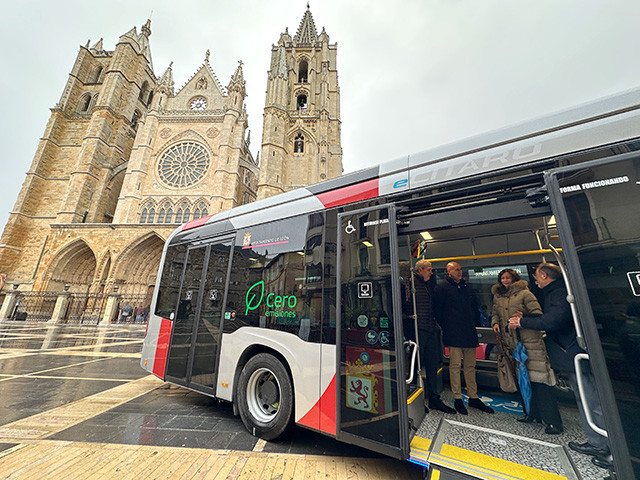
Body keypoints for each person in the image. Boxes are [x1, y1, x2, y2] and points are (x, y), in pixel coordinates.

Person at [509, 263, 611, 468]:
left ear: (545, 276)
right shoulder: (558, 292)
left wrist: (522, 322)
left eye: (537, 276)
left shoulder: (557, 294)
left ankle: (604, 444)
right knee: (585, 397)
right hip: (572, 351)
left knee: (590, 398)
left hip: (572, 351)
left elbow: (552, 321)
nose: (535, 280)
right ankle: (598, 441)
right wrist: (526, 318)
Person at [491, 268, 561, 433]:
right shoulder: (498, 296)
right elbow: (495, 312)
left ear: (514, 278)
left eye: (508, 277)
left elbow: (538, 315)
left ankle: (553, 421)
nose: (505, 280)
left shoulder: (525, 293)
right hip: (511, 343)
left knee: (539, 382)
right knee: (522, 381)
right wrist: (495, 322)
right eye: (502, 278)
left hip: (529, 342)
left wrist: (522, 318)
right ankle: (530, 413)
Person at [434, 262, 494, 414]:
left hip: (468, 331)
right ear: (448, 271)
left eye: (460, 269)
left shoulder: (465, 286)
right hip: (453, 331)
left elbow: (472, 308)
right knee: (455, 366)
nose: (459, 272)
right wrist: (447, 325)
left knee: (470, 366)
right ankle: (458, 397)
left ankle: (473, 397)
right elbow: (438, 310)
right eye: (456, 269)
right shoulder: (442, 288)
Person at [412, 260, 456, 414]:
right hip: (419, 329)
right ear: (420, 270)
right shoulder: (412, 285)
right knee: (417, 365)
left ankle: (434, 399)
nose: (431, 273)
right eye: (429, 270)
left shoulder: (429, 284)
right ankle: (416, 398)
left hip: (431, 328)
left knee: (432, 364)